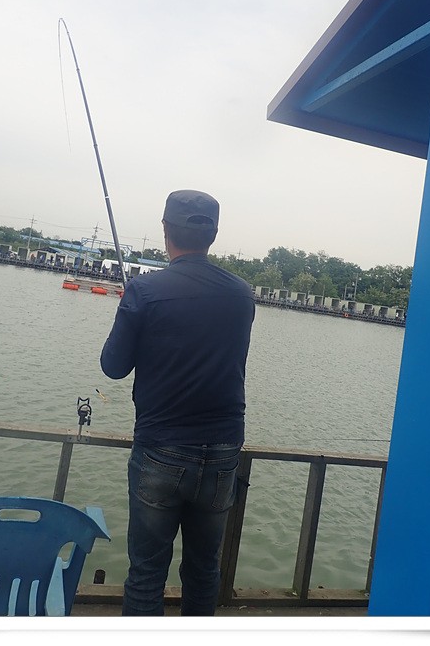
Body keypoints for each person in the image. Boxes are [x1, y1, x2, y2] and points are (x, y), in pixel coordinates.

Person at [100, 189, 255, 616]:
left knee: (147, 572)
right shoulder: (242, 294)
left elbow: (113, 367)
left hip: (161, 450)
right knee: (204, 570)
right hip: (223, 451)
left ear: (165, 229)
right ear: (214, 235)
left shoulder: (144, 291)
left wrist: (130, 311)